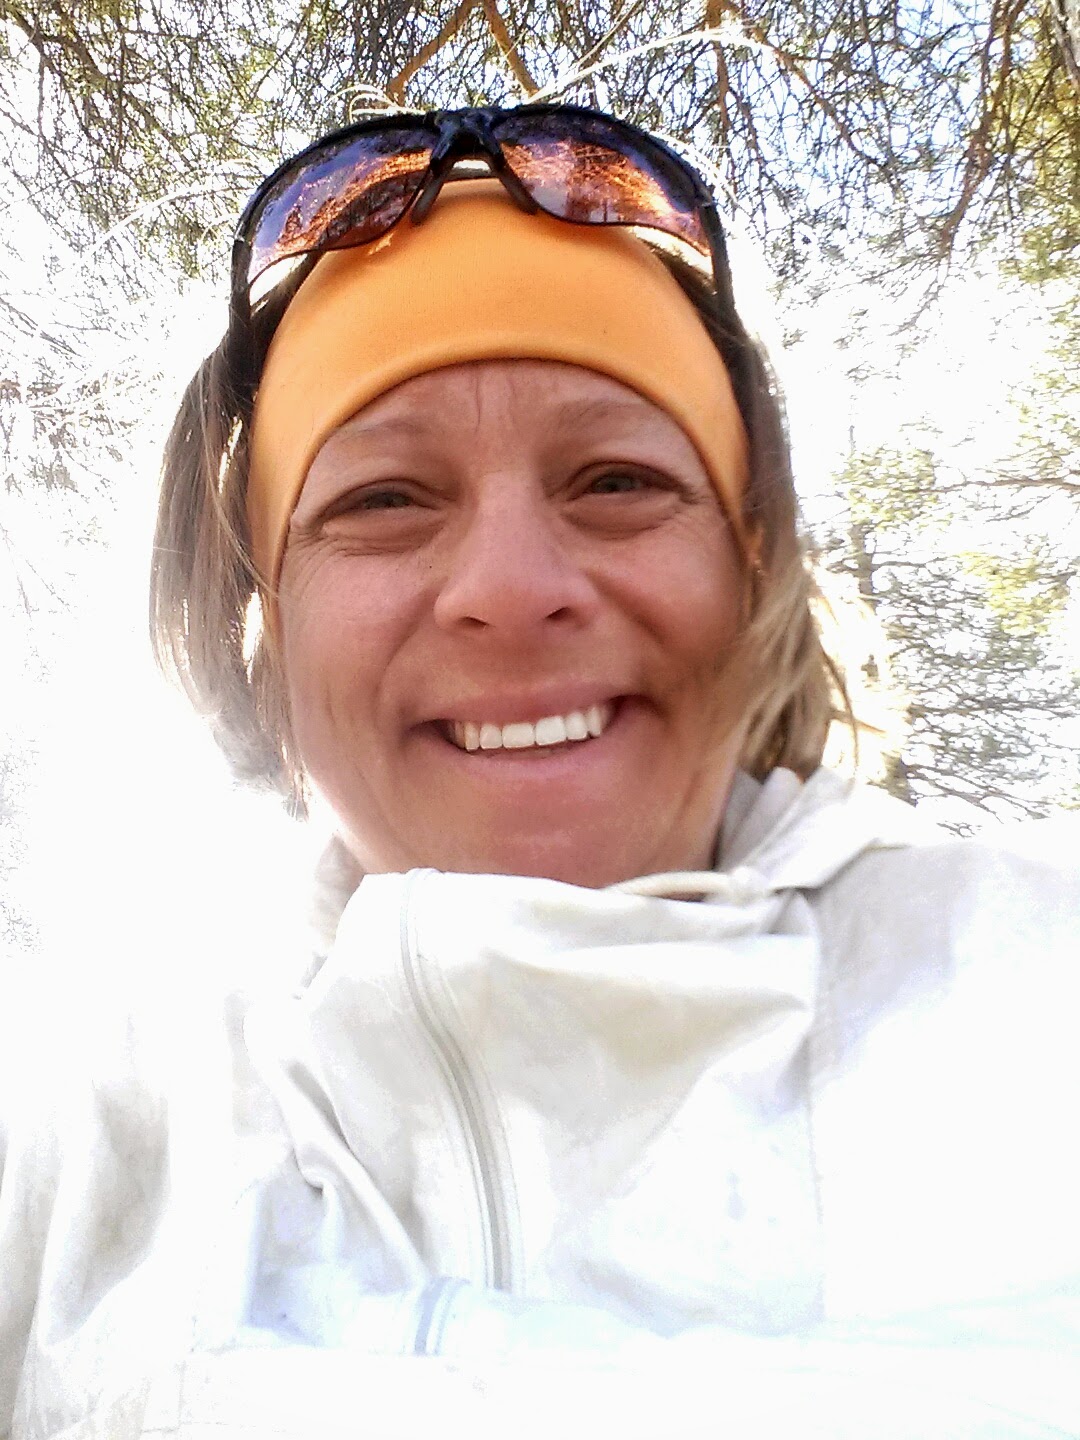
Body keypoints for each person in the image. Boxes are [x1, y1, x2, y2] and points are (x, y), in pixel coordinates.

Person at [1, 104, 1077, 1439]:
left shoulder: (1043, 985)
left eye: (617, 481)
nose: (511, 589)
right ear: (265, 622)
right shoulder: (87, 1132)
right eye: (383, 501)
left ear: (749, 567)